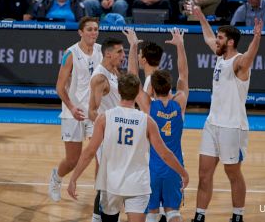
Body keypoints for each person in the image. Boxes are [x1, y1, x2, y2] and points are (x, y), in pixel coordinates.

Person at [67, 73, 189, 222]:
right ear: (137, 92)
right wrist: (183, 173)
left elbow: (89, 152)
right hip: (137, 184)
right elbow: (164, 153)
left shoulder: (104, 118)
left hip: (111, 183)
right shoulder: (147, 121)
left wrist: (74, 178)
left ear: (118, 91)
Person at [187, 4, 263, 222]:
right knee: (204, 174)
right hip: (212, 124)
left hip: (233, 127)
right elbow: (208, 37)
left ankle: (238, 216)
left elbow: (249, 57)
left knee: (233, 173)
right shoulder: (221, 57)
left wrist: (256, 38)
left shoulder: (238, 63)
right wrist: (201, 16)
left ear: (230, 42)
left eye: (220, 38)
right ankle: (199, 216)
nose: (216, 41)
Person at [124, 28, 189, 222]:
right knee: (173, 212)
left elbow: (132, 77)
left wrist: (133, 46)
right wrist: (180, 46)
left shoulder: (148, 106)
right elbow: (183, 75)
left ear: (151, 88)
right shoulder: (180, 101)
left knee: (151, 213)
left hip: (151, 165)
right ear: (170, 86)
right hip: (174, 164)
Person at [48, 16, 102, 203]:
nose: (93, 32)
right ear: (80, 32)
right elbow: (59, 87)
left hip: (95, 112)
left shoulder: (102, 51)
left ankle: (100, 197)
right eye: (89, 29)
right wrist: (71, 107)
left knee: (100, 155)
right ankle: (56, 178)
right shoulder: (70, 54)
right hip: (74, 112)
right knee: (72, 160)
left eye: (96, 29)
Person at [88, 36, 125, 222]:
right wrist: (108, 126)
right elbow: (92, 112)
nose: (122, 55)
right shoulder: (100, 77)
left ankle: (105, 215)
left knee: (113, 179)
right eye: (120, 52)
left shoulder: (114, 71)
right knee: (108, 181)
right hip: (106, 135)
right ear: (108, 54)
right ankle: (97, 217)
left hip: (118, 134)